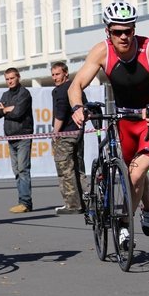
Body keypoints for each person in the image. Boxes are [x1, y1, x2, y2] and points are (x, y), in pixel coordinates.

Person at [69, 1, 149, 247]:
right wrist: (77, 107)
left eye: (129, 30)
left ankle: (125, 225)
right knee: (131, 174)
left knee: (137, 172)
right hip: (124, 119)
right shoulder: (101, 52)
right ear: (108, 32)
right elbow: (76, 85)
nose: (124, 36)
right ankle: (148, 203)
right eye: (118, 32)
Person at [0, 67, 33, 213]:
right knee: (16, 170)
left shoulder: (24, 94)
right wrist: (5, 110)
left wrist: (6, 110)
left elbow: (18, 113)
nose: (9, 81)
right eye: (7, 79)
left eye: (12, 78)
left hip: (23, 136)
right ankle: (22, 201)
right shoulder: (5, 94)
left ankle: (25, 202)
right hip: (10, 137)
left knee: (23, 169)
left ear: (18, 78)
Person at [50, 62, 87, 215]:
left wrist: (55, 133)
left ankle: (72, 205)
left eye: (57, 74)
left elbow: (61, 112)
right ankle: (86, 202)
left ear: (66, 73)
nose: (55, 78)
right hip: (78, 132)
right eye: (52, 75)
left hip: (65, 135)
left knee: (65, 170)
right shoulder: (76, 88)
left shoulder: (60, 91)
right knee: (79, 168)